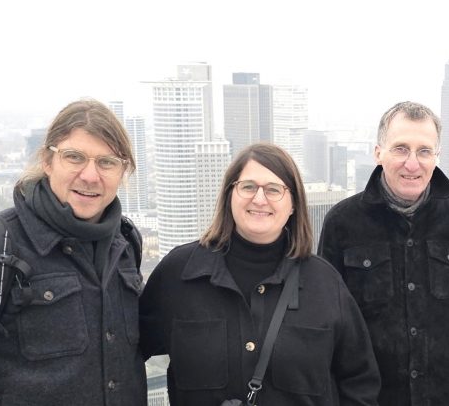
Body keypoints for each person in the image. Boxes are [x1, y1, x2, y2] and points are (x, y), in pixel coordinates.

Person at [0, 99, 147, 405]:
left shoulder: (125, 244)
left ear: (123, 171)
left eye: (107, 162)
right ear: (47, 161)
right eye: (74, 157)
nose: (91, 176)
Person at [139, 142, 380, 406]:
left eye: (274, 189)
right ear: (230, 195)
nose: (259, 199)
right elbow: (126, 351)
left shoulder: (325, 284)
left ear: (293, 204)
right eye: (248, 187)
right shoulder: (179, 273)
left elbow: (360, 382)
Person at [319, 101, 449, 406]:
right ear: (378, 153)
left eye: (424, 151)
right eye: (401, 149)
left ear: (437, 156)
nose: (412, 164)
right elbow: (326, 327)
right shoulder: (342, 223)